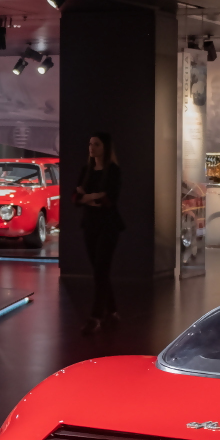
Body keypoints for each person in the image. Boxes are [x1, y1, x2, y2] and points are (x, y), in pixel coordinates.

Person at [74, 133, 124, 334]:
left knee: (101, 269)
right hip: (90, 224)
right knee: (98, 269)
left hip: (108, 225)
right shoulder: (86, 170)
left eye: (96, 144)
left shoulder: (113, 171)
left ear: (105, 147)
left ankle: (96, 316)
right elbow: (75, 199)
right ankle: (112, 309)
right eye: (90, 144)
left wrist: (88, 196)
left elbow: (109, 200)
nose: (91, 147)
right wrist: (94, 197)